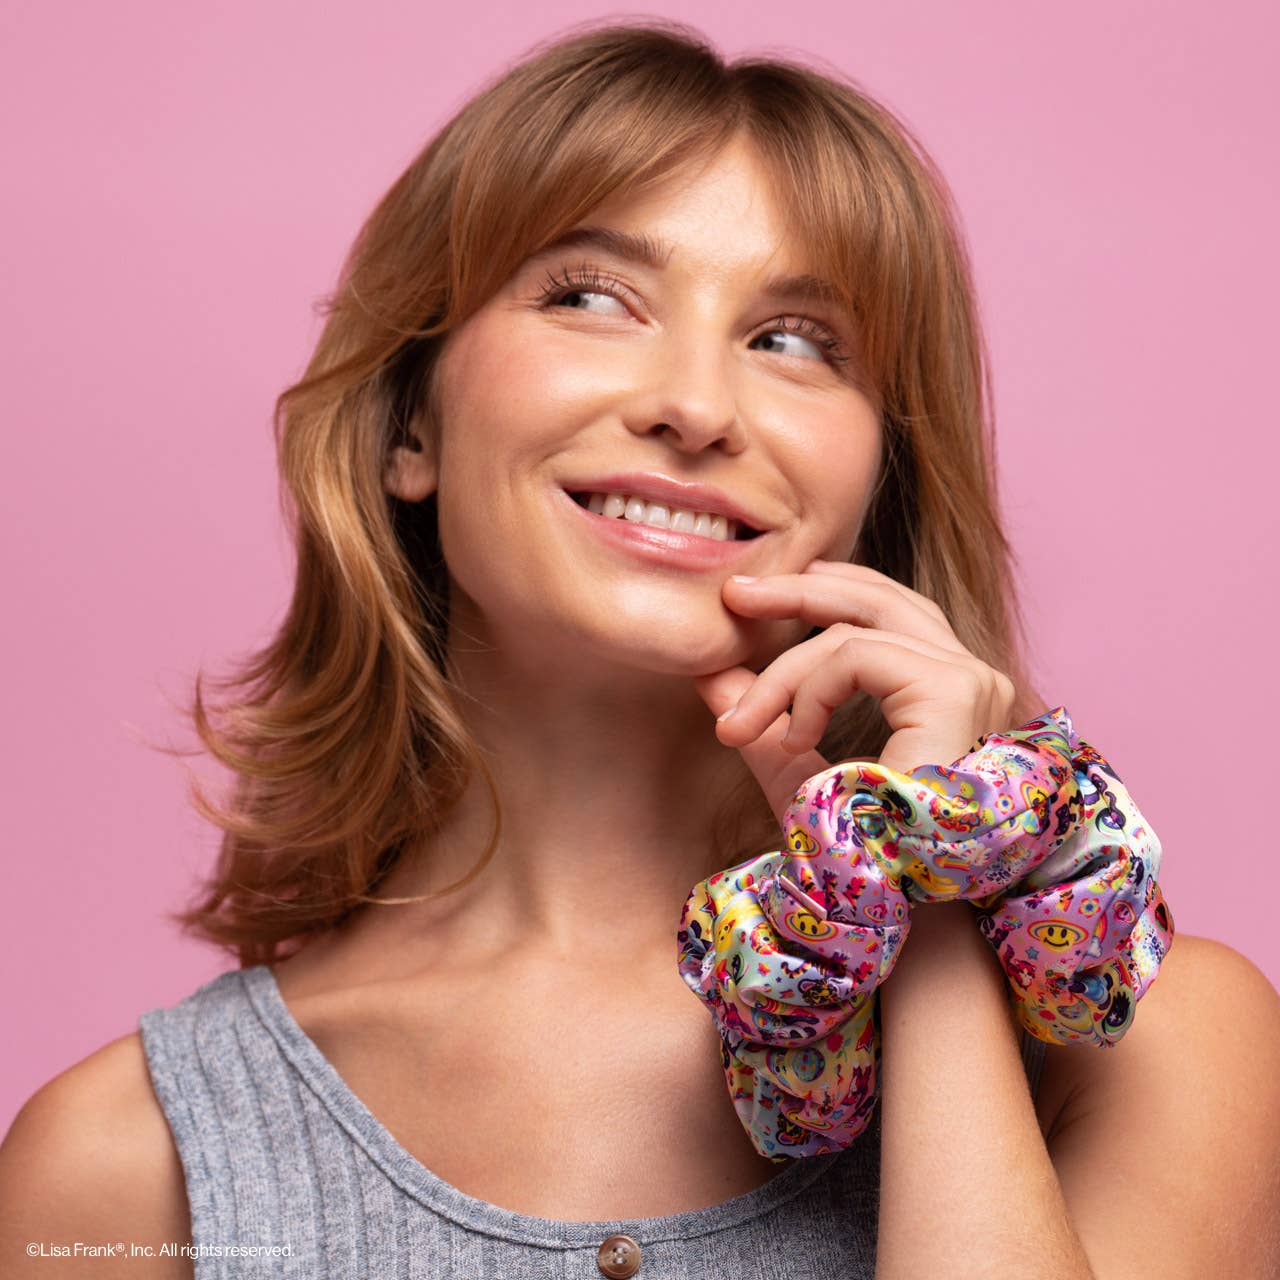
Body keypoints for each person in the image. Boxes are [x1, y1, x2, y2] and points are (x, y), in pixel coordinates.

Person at [3, 19, 1278, 1279]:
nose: (696, 407)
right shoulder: (125, 1166)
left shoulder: (1150, 1041)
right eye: (589, 297)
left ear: (873, 487)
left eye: (793, 340)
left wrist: (920, 887)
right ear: (411, 423)